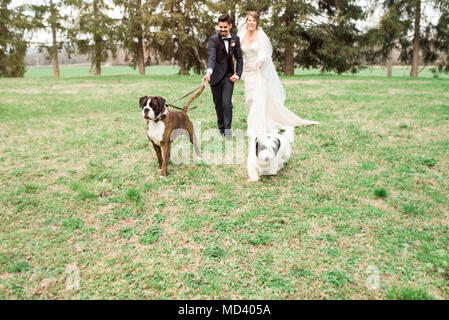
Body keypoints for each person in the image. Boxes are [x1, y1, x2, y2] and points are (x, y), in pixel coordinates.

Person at [238, 11, 319, 139]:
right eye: (249, 20)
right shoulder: (241, 35)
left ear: (257, 22)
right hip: (248, 72)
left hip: (259, 71)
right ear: (246, 22)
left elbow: (265, 52)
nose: (251, 23)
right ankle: (251, 122)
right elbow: (239, 53)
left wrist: (260, 60)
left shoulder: (261, 35)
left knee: (258, 99)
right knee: (249, 100)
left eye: (253, 20)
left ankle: (258, 127)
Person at [203, 13, 243, 141]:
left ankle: (228, 130)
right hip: (214, 77)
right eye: (220, 27)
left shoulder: (235, 39)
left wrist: (237, 74)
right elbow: (212, 58)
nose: (222, 30)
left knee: (227, 103)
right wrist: (208, 73)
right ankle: (221, 129)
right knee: (218, 104)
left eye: (225, 27)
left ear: (230, 26)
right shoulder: (213, 40)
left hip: (228, 76)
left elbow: (239, 58)